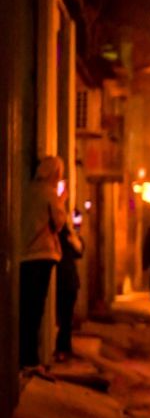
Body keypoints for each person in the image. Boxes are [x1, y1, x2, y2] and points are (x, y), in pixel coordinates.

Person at [20, 155, 67, 374]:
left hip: (24, 255)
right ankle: (31, 359)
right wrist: (62, 200)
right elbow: (59, 223)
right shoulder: (49, 193)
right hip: (42, 254)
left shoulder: (27, 190)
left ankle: (25, 356)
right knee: (35, 309)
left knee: (26, 308)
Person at [54, 213, 84, 362]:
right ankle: (62, 348)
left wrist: (74, 237)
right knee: (63, 318)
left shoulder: (67, 237)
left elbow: (80, 251)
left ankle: (63, 348)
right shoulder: (56, 236)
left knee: (65, 318)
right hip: (62, 282)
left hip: (68, 282)